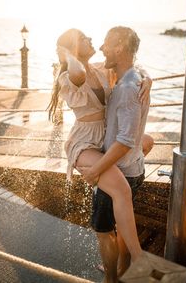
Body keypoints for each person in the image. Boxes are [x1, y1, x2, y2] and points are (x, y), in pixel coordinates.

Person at [48, 28, 152, 283]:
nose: (92, 40)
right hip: (84, 144)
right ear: (73, 49)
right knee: (122, 191)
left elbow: (131, 63)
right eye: (84, 39)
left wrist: (146, 78)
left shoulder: (97, 68)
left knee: (147, 142)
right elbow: (78, 73)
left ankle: (119, 266)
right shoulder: (68, 75)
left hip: (103, 140)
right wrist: (65, 54)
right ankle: (138, 259)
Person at [78, 26, 150, 283]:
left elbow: (125, 142)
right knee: (123, 227)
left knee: (104, 231)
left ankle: (111, 278)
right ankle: (122, 271)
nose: (101, 47)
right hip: (133, 169)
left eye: (107, 43)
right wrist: (145, 74)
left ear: (119, 46)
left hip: (119, 170)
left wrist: (96, 170)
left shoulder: (127, 88)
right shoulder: (134, 79)